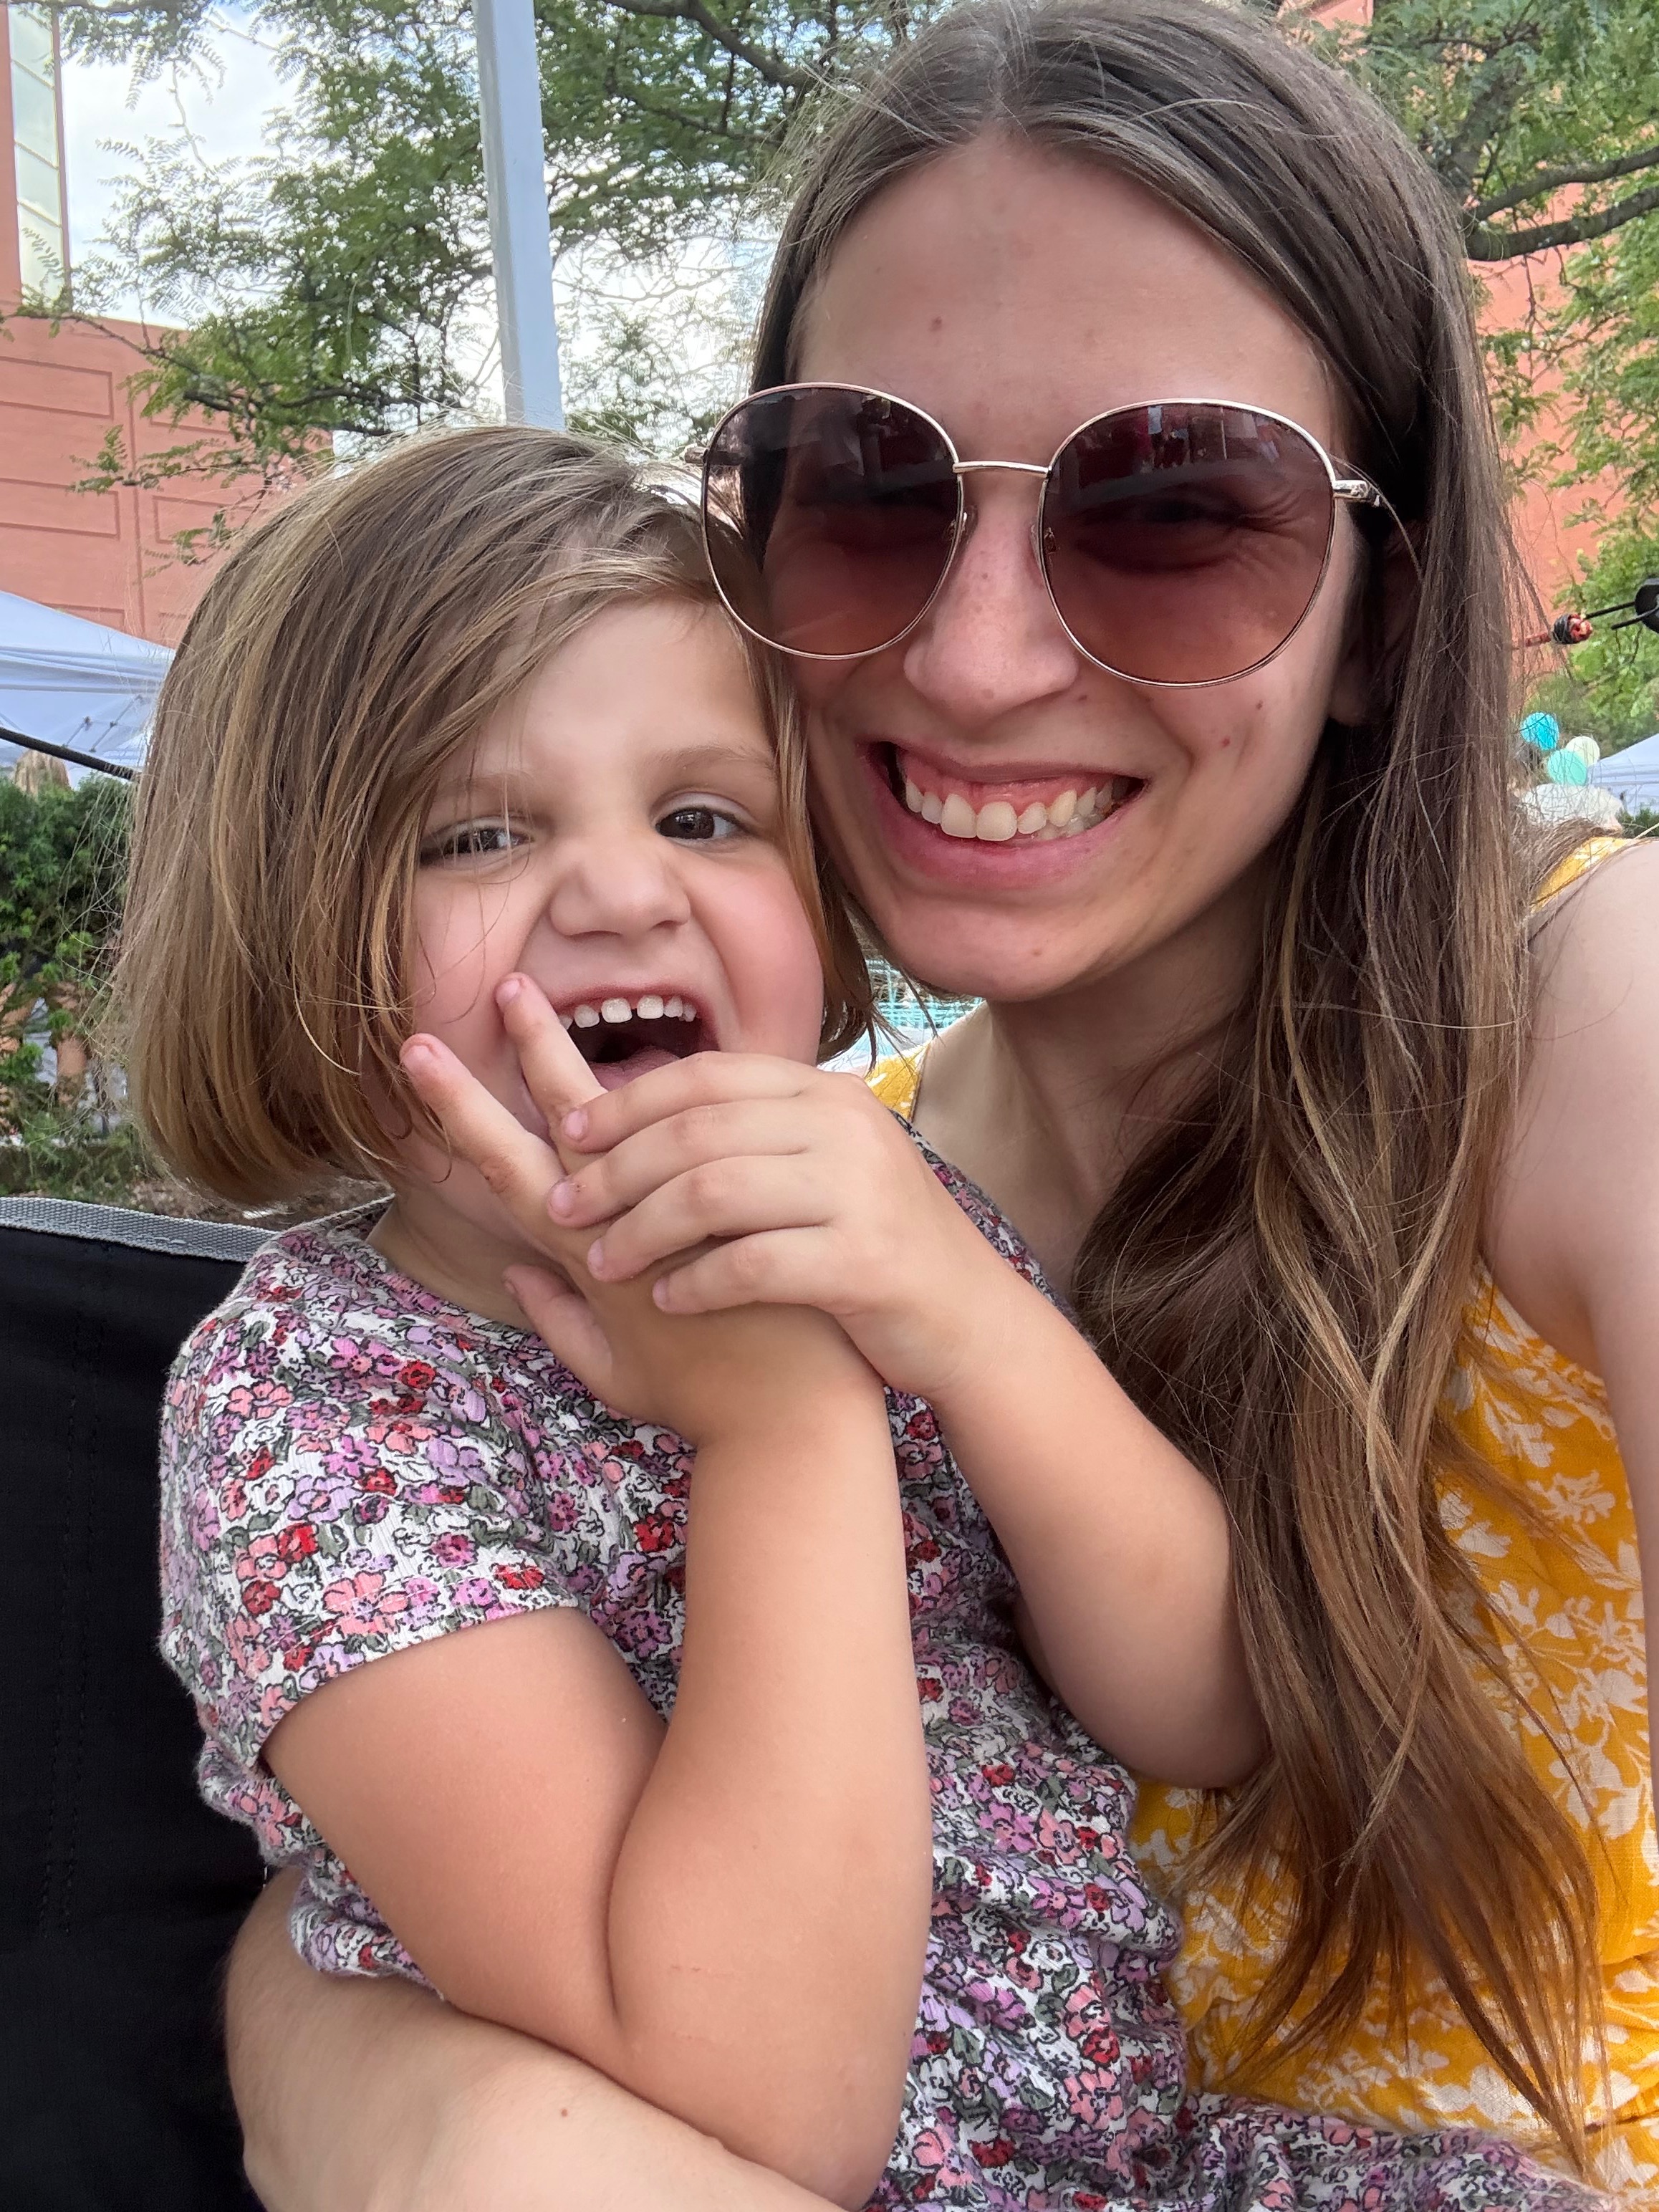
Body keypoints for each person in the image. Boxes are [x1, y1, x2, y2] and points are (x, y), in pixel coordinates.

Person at [213, 0, 1659, 2201]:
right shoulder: (813, 1184)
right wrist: (360, 2050)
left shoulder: (1591, 1016)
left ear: (1380, 613)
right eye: (871, 494)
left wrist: (412, 2107)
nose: (978, 660)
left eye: (1176, 510)